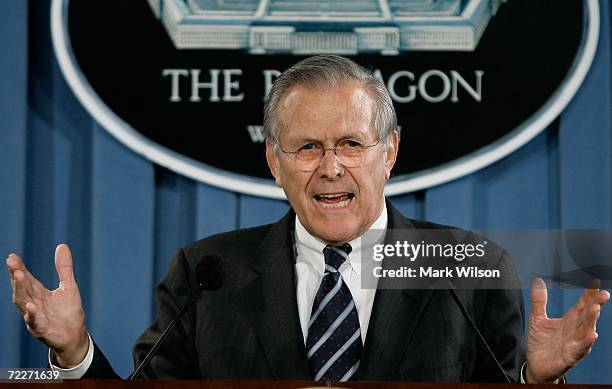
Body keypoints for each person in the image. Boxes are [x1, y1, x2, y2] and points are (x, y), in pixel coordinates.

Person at [6, 55, 609, 383]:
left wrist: (537, 381)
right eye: (306, 148)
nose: (330, 168)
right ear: (274, 160)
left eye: (351, 144)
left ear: (390, 153)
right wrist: (75, 352)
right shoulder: (208, 271)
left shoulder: (462, 268)